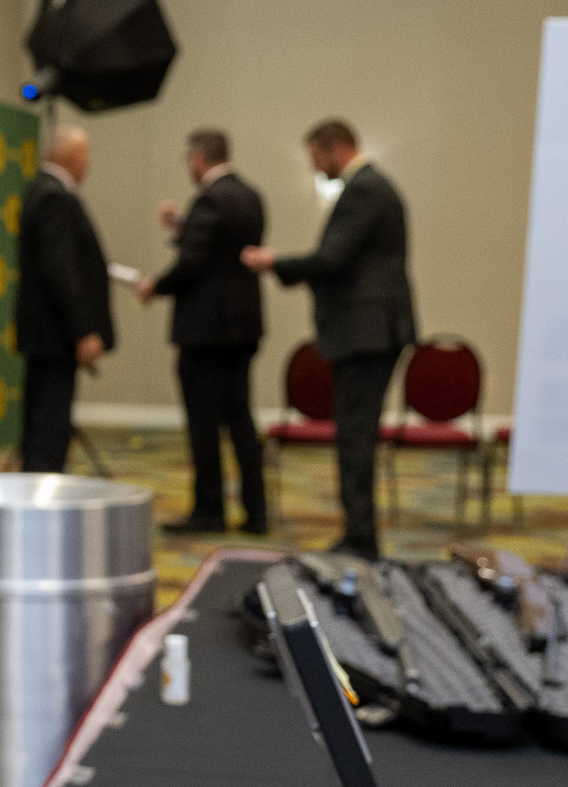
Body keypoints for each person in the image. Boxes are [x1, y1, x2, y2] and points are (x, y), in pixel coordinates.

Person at [244, 119, 416, 559]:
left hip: (368, 332)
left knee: (355, 438)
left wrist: (274, 263)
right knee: (355, 435)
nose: (315, 168)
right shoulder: (372, 187)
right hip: (371, 331)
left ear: (336, 148)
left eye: (317, 158)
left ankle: (360, 539)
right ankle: (358, 533)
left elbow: (331, 258)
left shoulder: (365, 189)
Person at [139, 129, 269, 534]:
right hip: (243, 327)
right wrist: (184, 228)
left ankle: (209, 509)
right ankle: (256, 510)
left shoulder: (209, 199)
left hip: (207, 332)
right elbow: (222, 251)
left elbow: (194, 263)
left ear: (199, 158)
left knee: (203, 422)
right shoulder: (250, 196)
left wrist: (156, 286)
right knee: (240, 416)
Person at [15, 125, 114, 473]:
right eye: (86, 155)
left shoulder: (39, 191)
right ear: (74, 156)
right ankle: (44, 494)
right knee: (49, 430)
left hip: (46, 334)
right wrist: (82, 330)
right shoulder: (55, 197)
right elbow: (60, 270)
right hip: (54, 336)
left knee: (42, 423)